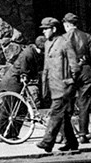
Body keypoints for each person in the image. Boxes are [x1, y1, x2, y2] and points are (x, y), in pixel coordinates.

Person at [34, 16, 80, 155]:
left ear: (54, 29)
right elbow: (46, 66)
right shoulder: (48, 44)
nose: (44, 32)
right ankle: (72, 142)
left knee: (56, 112)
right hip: (52, 85)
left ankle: (47, 141)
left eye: (46, 29)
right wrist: (44, 85)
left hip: (64, 85)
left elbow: (74, 66)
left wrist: (71, 83)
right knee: (64, 116)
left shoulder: (65, 42)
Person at [61, 13, 91, 142]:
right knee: (84, 103)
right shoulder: (87, 37)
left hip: (69, 72)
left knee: (66, 103)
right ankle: (83, 134)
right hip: (86, 70)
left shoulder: (62, 38)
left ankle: (66, 134)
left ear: (66, 24)